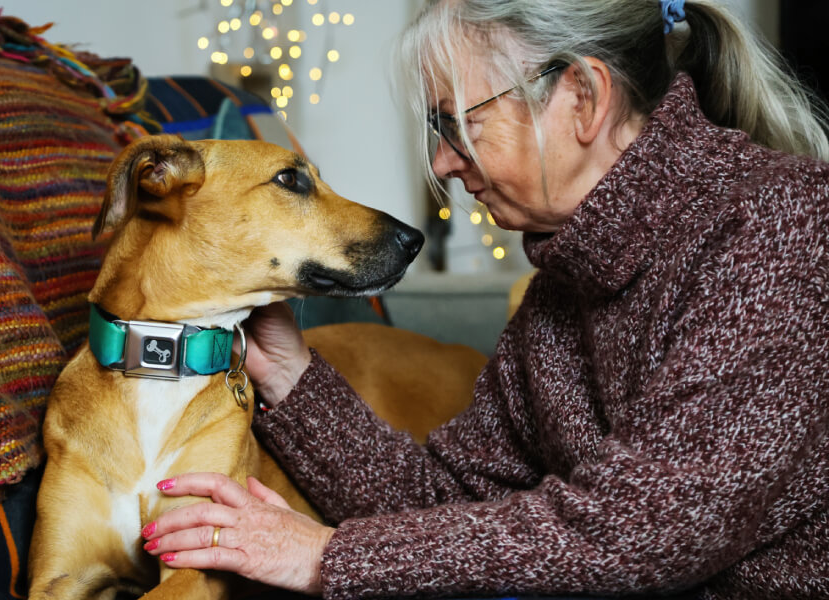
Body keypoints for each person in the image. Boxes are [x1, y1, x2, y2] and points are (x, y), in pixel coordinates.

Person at [139, 0, 829, 598]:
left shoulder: (780, 223)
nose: (442, 162)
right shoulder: (566, 277)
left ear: (583, 98)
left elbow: (648, 526)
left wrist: (324, 558)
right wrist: (290, 378)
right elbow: (442, 503)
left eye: (454, 124)